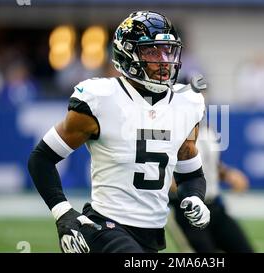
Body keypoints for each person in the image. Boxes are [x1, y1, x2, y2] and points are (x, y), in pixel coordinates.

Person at [28, 11, 210, 253]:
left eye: (168, 50)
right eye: (152, 51)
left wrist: (196, 197)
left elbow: (190, 173)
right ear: (127, 54)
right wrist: (62, 212)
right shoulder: (100, 98)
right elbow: (41, 159)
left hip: (152, 233)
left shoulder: (188, 102)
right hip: (104, 228)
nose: (164, 59)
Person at [169, 124, 255, 253]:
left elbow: (209, 164)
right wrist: (183, 185)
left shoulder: (206, 130)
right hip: (190, 212)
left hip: (215, 206)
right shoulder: (174, 130)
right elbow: (166, 174)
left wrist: (228, 174)